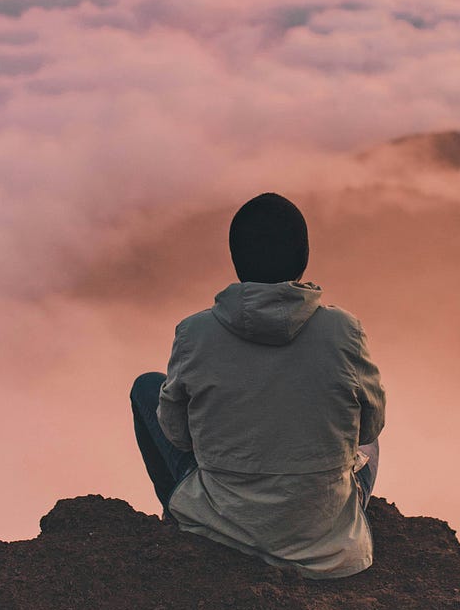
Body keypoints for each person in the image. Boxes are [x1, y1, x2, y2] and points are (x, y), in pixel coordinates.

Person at [130, 192, 385, 578]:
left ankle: (179, 517)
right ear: (303, 259)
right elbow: (369, 427)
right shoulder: (344, 330)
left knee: (147, 388)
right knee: (370, 444)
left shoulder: (194, 332)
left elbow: (178, 437)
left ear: (237, 261)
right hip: (325, 541)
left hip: (223, 523)